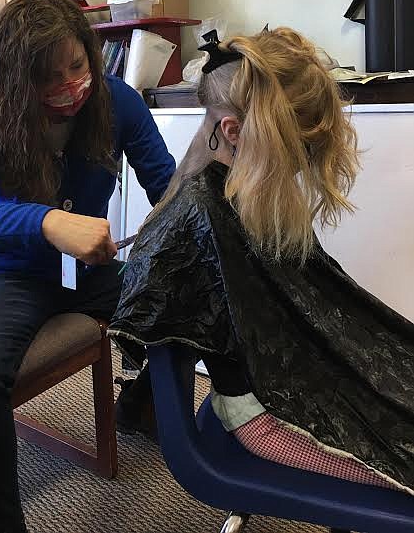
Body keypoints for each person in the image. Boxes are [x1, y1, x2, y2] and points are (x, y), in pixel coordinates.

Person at [109, 27, 414, 495]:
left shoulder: (240, 195)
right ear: (233, 131)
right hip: (265, 413)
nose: (300, 166)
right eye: (297, 152)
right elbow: (151, 307)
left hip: (296, 381)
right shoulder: (198, 215)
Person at [0, 0, 175, 533]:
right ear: (21, 80)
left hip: (90, 273)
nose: (69, 86)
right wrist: (43, 222)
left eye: (78, 66)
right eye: (49, 77)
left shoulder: (118, 102)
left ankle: (141, 404)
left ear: (91, 53)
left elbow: (170, 189)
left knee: (184, 300)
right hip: (11, 275)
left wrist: (219, 174)